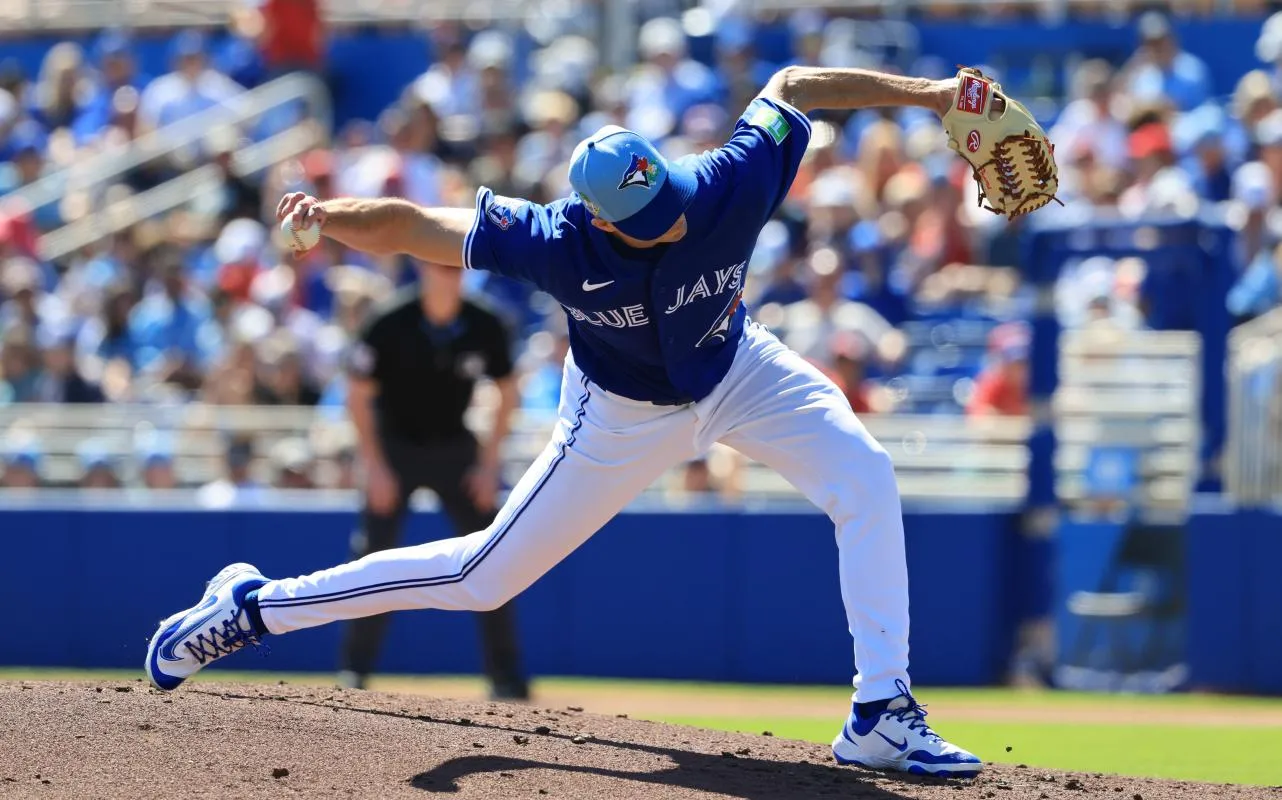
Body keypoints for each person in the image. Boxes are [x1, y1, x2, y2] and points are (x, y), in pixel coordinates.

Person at [146, 63, 983, 777]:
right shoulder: (555, 240)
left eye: (667, 204)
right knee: (480, 579)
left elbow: (797, 83)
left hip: (738, 366)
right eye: (648, 225)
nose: (674, 224)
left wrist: (935, 93)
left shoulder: (725, 179)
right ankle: (256, 607)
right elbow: (415, 227)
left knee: (864, 474)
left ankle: (881, 711)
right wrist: (329, 217)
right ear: (600, 219)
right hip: (619, 413)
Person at [337, 260, 527, 699]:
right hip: (395, 448)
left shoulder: (484, 322)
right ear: (423, 268)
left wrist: (488, 463)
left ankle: (507, 678)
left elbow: (508, 390)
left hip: (455, 447)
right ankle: (354, 672)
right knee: (371, 559)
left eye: (455, 266)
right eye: (440, 265)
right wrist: (375, 466)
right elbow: (358, 395)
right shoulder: (389, 320)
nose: (449, 274)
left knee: (494, 557)